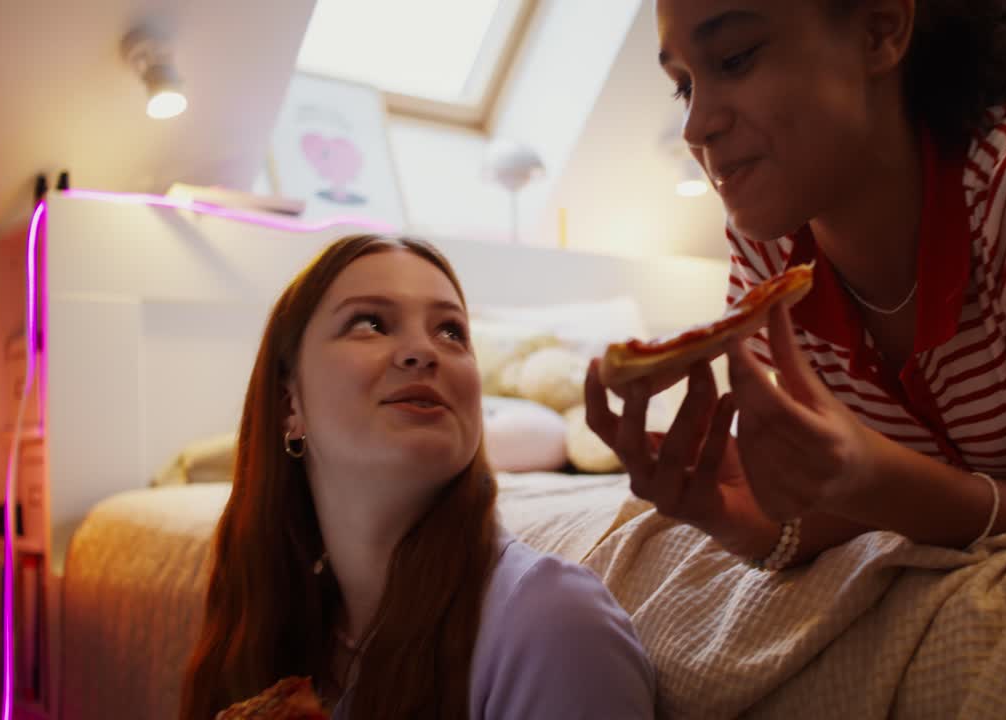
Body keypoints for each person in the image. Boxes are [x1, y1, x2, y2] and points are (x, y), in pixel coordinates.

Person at [585, 0, 1006, 568]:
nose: (696, 126)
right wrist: (730, 514)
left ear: (879, 31)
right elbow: (832, 514)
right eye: (682, 85)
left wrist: (880, 481)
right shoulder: (768, 253)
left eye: (734, 59)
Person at [181, 235, 655, 719]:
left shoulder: (554, 625)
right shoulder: (273, 628)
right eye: (370, 323)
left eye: (451, 332)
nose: (423, 351)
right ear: (289, 404)